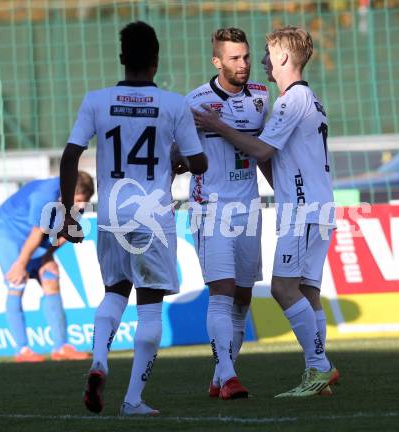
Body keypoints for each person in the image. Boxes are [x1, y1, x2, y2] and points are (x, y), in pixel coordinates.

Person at [59, 21, 207, 416]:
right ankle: (132, 399)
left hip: (109, 215)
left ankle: (99, 362)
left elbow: (70, 155)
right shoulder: (174, 105)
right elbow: (200, 162)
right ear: (156, 61)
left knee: (114, 291)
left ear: (122, 58)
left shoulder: (97, 100)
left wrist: (68, 211)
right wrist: (177, 158)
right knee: (150, 305)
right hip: (152, 217)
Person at [193, 26, 339, 397]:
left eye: (268, 54)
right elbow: (271, 159)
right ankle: (317, 373)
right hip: (316, 205)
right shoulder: (309, 98)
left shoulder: (291, 101)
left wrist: (216, 124)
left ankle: (319, 366)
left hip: (302, 209)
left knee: (282, 287)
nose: (261, 62)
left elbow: (260, 151)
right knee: (308, 291)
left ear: (284, 58)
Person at [185, 27, 271, 400]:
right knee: (220, 292)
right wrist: (178, 158)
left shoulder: (262, 98)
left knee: (242, 298)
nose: (243, 64)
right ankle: (229, 375)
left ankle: (222, 376)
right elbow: (177, 154)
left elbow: (265, 151)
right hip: (211, 207)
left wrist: (283, 192)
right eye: (234, 58)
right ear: (216, 61)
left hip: (249, 207)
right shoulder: (196, 102)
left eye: (247, 56)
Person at [0, 172, 94, 362]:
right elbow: (37, 232)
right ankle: (22, 351)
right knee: (17, 282)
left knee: (51, 275)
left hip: (35, 234)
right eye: (78, 200)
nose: (81, 206)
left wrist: (47, 256)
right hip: (9, 229)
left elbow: (68, 231)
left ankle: (61, 347)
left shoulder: (76, 202)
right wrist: (21, 264)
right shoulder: (43, 195)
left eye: (84, 201)